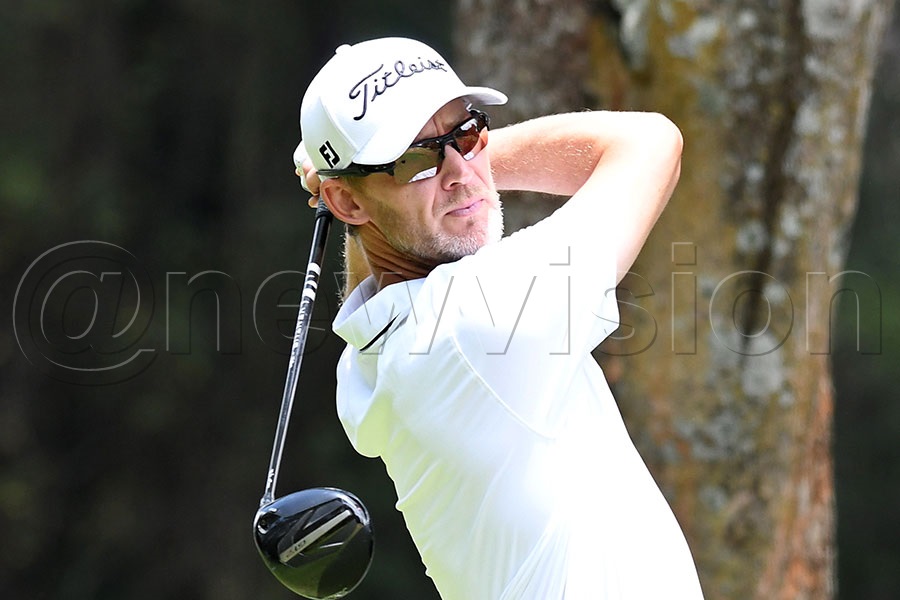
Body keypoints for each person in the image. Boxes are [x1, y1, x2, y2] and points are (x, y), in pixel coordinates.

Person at [294, 37, 704, 599]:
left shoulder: (378, 353)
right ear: (348, 203)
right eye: (415, 159)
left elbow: (374, 249)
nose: (462, 171)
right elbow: (651, 142)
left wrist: (382, 175)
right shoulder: (482, 320)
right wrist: (471, 162)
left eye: (469, 133)